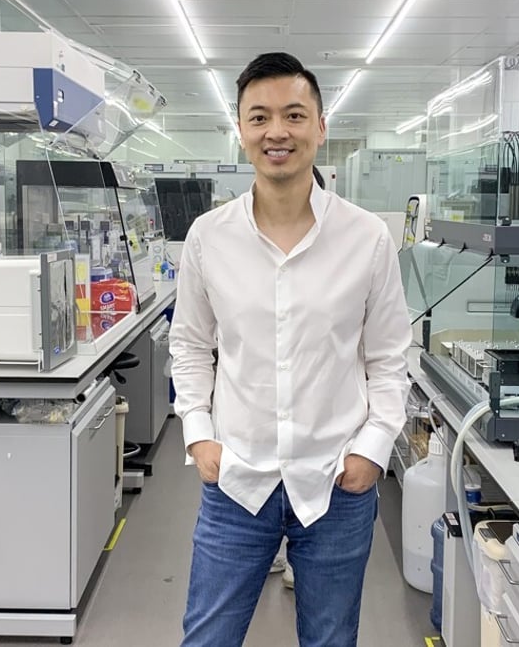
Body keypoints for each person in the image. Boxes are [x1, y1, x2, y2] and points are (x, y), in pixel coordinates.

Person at [169, 52, 412, 647]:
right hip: (237, 478)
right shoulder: (209, 237)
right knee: (207, 638)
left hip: (336, 481)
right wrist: (199, 433)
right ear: (242, 131)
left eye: (294, 115)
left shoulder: (366, 238)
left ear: (320, 127)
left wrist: (373, 450)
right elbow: (191, 345)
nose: (277, 131)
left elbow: (388, 357)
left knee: (331, 640)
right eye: (260, 117)